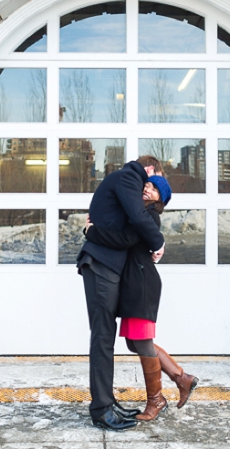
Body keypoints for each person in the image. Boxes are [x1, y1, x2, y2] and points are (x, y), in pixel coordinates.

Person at [85, 176, 198, 421]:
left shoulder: (149, 216)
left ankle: (157, 399)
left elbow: (124, 240)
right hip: (134, 284)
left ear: (161, 199)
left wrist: (92, 232)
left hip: (142, 284)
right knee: (134, 343)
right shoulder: (137, 212)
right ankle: (182, 379)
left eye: (155, 189)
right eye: (147, 185)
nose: (148, 188)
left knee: (143, 342)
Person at [76, 156, 165, 430]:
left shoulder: (125, 185)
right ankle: (101, 410)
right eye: (151, 181)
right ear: (148, 170)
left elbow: (128, 226)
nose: (146, 189)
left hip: (108, 268)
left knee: (107, 339)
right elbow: (138, 216)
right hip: (100, 266)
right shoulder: (129, 177)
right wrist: (158, 242)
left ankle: (107, 402)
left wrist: (91, 229)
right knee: (102, 338)